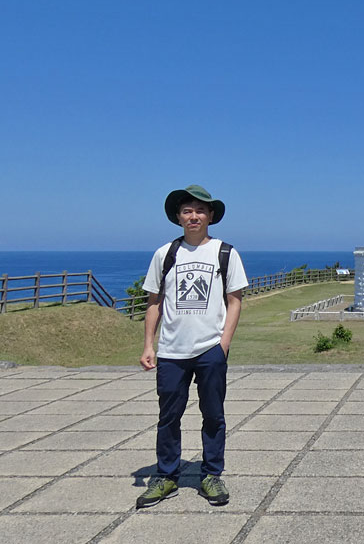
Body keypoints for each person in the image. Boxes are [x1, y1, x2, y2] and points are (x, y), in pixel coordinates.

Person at [135, 185, 248, 509]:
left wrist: (223, 344)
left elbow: (234, 300)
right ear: (178, 217)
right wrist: (148, 345)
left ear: (210, 215)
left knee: (213, 415)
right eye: (187, 210)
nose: (194, 216)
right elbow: (154, 302)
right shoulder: (165, 254)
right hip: (171, 351)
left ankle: (211, 474)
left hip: (210, 349)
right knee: (168, 416)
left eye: (200, 210)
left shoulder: (225, 253)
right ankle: (166, 475)